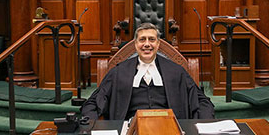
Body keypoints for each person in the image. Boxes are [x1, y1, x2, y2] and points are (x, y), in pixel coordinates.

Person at [81, 23, 214, 120]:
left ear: (158, 44)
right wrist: (92, 125)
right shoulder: (118, 72)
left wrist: (204, 125)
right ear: (135, 44)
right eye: (142, 39)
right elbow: (93, 102)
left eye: (151, 39)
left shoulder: (176, 71)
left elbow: (202, 101)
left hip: (169, 130)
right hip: (130, 130)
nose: (147, 44)